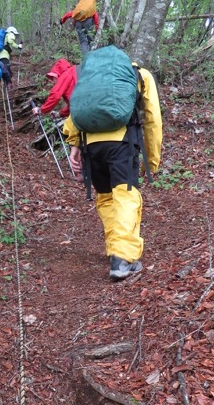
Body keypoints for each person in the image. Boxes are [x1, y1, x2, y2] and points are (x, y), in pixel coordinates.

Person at [63, 61, 162, 281]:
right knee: (126, 196)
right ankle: (122, 257)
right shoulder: (140, 74)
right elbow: (153, 118)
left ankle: (114, 250)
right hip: (122, 143)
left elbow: (76, 109)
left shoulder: (91, 76)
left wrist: (74, 145)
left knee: (106, 198)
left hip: (91, 145)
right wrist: (151, 160)